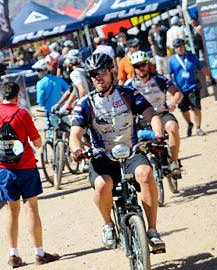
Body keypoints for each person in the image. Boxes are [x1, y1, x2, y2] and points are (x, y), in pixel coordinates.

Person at [69, 53, 166, 253]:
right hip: (102, 156)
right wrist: (77, 149)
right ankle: (108, 225)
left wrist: (158, 136)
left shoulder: (129, 94)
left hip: (130, 152)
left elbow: (152, 115)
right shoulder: (86, 104)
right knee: (103, 184)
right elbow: (75, 135)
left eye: (102, 72)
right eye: (93, 74)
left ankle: (153, 231)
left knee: (146, 174)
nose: (98, 77)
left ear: (111, 71)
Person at [0, 81, 60, 267]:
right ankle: (39, 253)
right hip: (26, 167)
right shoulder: (22, 114)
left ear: (0, 97)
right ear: (17, 97)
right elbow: (38, 142)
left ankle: (13, 254)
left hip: (3, 170)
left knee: (12, 212)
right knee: (31, 208)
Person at [126, 51, 184, 177]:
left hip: (162, 114)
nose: (140, 68)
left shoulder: (159, 79)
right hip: (141, 118)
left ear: (148, 64)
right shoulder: (129, 85)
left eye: (143, 65)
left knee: (172, 127)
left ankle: (174, 162)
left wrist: (173, 103)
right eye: (137, 66)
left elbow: (178, 94)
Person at [168, 38, 211, 137]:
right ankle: (189, 123)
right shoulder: (172, 61)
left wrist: (209, 77)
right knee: (184, 110)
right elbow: (170, 75)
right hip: (180, 90)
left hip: (193, 87)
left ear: (184, 46)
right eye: (177, 47)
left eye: (181, 46)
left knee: (196, 108)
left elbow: (202, 67)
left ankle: (198, 128)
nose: (179, 49)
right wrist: (172, 89)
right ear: (174, 49)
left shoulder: (192, 57)